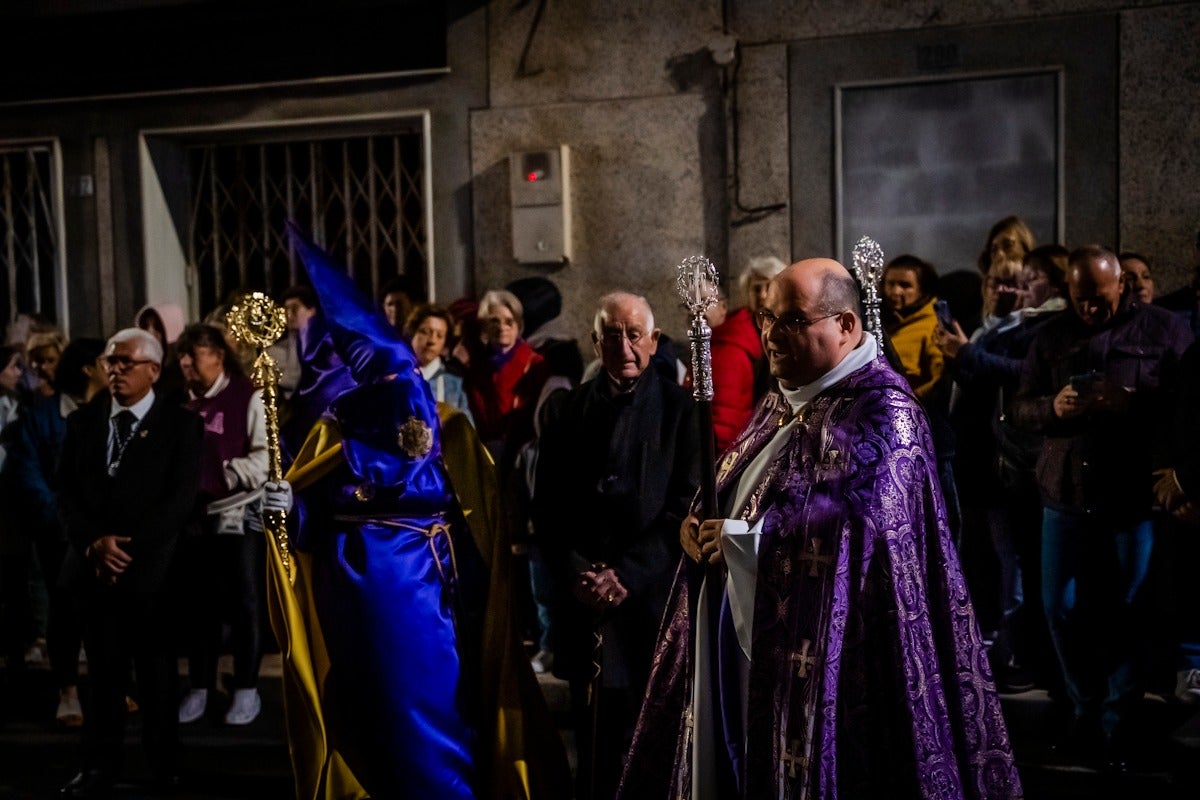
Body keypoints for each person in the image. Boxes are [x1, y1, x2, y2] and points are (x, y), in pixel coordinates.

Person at [618, 258, 1021, 800]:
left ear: (847, 326)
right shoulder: (785, 398)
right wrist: (696, 522)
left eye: (791, 321)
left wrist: (744, 542)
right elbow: (737, 477)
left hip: (847, 658)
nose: (771, 335)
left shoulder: (886, 412)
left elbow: (862, 527)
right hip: (740, 626)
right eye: (767, 318)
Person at [262, 225, 570, 800]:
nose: (400, 392)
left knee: (427, 709)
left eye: (401, 376)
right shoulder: (337, 432)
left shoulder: (444, 428)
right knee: (369, 715)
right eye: (383, 379)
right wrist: (286, 509)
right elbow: (311, 523)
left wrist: (472, 590)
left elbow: (470, 517)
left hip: (422, 599)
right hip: (349, 601)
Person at [1011, 245, 1194, 767]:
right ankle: (1083, 707)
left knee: (1129, 611)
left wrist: (1131, 403)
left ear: (1121, 286)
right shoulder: (1051, 337)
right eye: (1080, 298)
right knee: (1059, 607)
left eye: (1099, 297)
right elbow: (1020, 408)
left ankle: (1117, 721)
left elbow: (1186, 406)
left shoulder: (1163, 331)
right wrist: (1052, 407)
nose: (1090, 308)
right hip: (1065, 492)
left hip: (1130, 495)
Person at [535, 291, 699, 800]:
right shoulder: (565, 411)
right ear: (594, 342)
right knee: (593, 735)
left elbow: (686, 508)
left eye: (634, 334)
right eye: (612, 334)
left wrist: (626, 573)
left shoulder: (682, 411)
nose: (624, 345)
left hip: (649, 599)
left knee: (650, 733)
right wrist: (578, 571)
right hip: (584, 598)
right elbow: (548, 509)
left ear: (653, 342)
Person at [57, 328, 203, 798]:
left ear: (153, 371)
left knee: (157, 674)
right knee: (102, 676)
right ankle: (100, 764)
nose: (114, 371)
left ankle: (165, 765)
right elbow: (67, 495)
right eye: (109, 363)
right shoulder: (83, 423)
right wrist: (93, 543)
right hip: (94, 568)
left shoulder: (182, 426)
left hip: (152, 571)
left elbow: (179, 501)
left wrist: (127, 548)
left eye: (125, 363)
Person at [3, 338, 107, 727]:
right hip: (60, 535)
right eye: (105, 361)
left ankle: (109, 686)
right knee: (65, 612)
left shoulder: (112, 412)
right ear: (87, 367)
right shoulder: (43, 417)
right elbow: (27, 472)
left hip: (105, 533)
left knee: (108, 613)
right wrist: (63, 521)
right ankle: (68, 691)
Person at [174, 324, 269, 727]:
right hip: (193, 518)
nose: (184, 362)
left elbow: (266, 458)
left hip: (238, 513)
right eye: (181, 355)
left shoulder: (249, 398)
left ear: (217, 355)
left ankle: (246, 688)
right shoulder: (179, 402)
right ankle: (200, 685)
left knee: (245, 602)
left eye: (192, 353)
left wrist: (226, 473)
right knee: (198, 605)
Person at [465, 289, 548, 475]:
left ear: (518, 325)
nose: (502, 327)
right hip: (482, 456)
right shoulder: (476, 368)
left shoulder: (534, 365)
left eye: (509, 321)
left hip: (520, 458)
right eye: (494, 321)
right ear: (484, 326)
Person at [711, 255, 787, 452]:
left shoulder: (789, 328)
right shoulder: (735, 338)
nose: (762, 295)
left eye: (768, 286)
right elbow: (727, 410)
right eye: (756, 288)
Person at [405, 303, 474, 422]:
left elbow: (466, 433)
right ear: (412, 333)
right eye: (425, 332)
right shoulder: (396, 376)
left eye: (439, 335)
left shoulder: (453, 384)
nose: (432, 340)